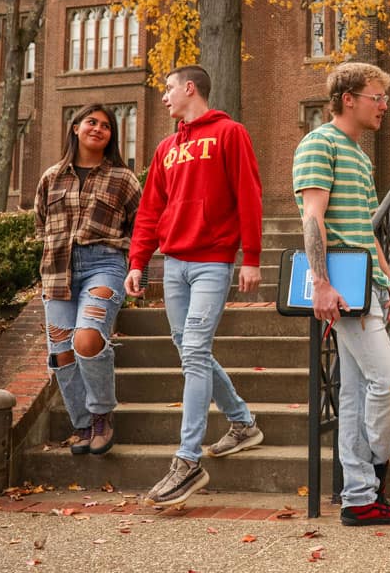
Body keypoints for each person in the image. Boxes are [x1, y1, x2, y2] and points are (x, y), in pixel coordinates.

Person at [124, 65, 265, 507]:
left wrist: (252, 257)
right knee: (190, 350)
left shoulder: (229, 133)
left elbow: (249, 193)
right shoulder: (166, 147)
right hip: (174, 264)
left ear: (190, 89)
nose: (163, 97)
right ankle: (243, 422)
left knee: (196, 352)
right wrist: (138, 262)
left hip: (212, 262)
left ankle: (187, 460)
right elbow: (150, 210)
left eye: (168, 89)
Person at [292, 62, 390, 526]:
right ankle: (374, 469)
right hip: (341, 288)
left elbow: (364, 227)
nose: (384, 105)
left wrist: (389, 279)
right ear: (349, 98)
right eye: (377, 97)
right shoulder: (318, 143)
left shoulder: (359, 156)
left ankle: (359, 497)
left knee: (354, 395)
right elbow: (312, 219)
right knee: (389, 381)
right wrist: (321, 283)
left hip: (367, 284)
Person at [35, 103, 142, 458]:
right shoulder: (51, 177)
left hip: (104, 264)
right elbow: (41, 223)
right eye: (91, 122)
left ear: (112, 136)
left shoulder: (123, 179)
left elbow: (139, 226)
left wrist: (135, 265)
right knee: (62, 351)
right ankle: (81, 423)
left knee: (87, 337)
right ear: (76, 127)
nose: (98, 129)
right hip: (57, 270)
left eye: (106, 126)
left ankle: (100, 415)